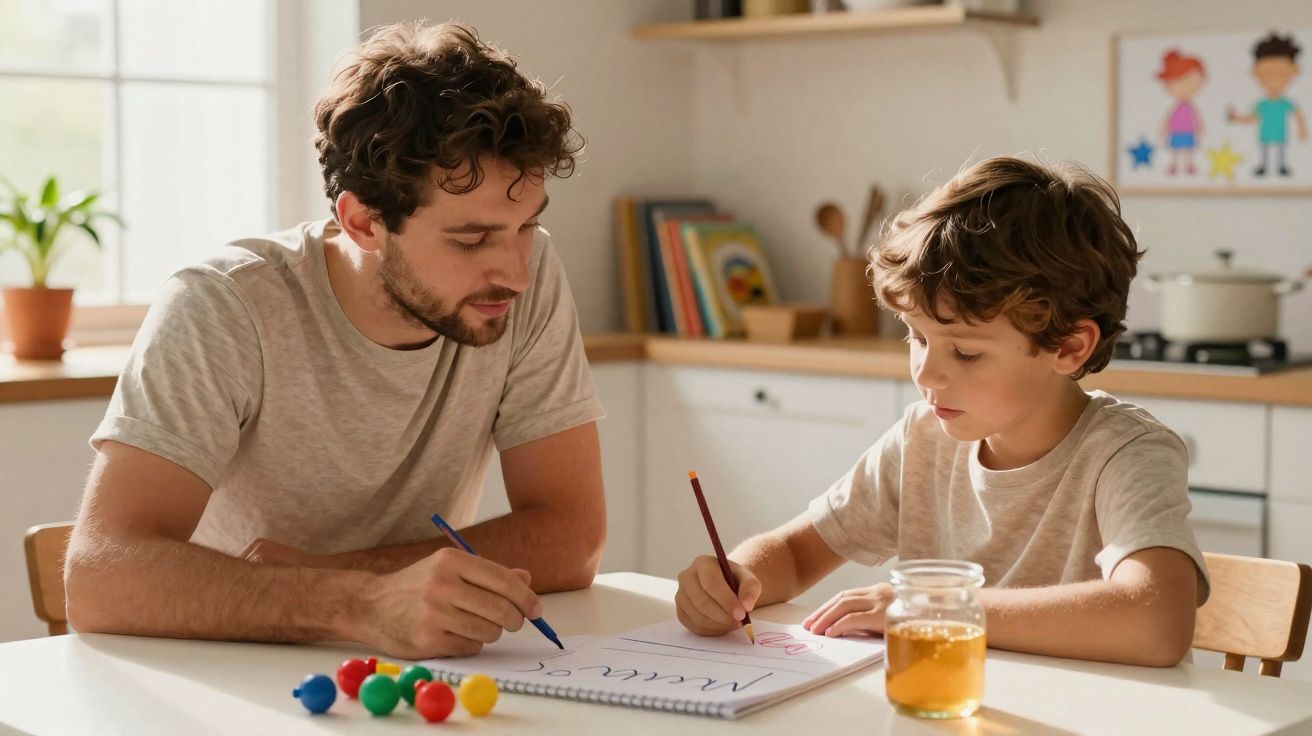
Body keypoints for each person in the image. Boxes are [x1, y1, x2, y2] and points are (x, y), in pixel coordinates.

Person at [64, 21, 606, 660]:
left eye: (524, 227)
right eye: (470, 240)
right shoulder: (225, 305)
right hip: (231, 664)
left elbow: (571, 536)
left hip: (414, 661)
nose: (514, 271)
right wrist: (360, 601)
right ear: (363, 221)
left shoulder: (525, 273)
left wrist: (348, 577)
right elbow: (99, 578)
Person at [674, 156, 1209, 667]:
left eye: (967, 352)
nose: (926, 374)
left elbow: (1156, 623)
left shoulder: (1126, 454)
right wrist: (735, 577)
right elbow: (794, 553)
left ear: (1069, 347)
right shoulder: (922, 439)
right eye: (916, 337)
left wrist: (936, 610)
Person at [1228, 32, 1308, 177]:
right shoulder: (1262, 104)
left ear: (1293, 72)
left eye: (1282, 74)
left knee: (1280, 150)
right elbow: (1252, 118)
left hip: (1280, 134)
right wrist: (1236, 118)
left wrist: (1302, 131)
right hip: (1265, 134)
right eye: (1266, 74)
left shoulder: (1285, 103)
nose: (1274, 80)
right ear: (1256, 73)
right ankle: (1264, 166)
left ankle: (1281, 166)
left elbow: (1298, 115)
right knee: (1265, 151)